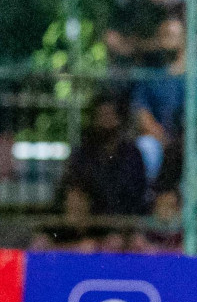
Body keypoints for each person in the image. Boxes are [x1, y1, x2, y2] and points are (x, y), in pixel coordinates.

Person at [130, 18, 197, 184]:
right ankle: (154, 196)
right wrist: (165, 141)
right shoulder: (150, 71)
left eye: (172, 35)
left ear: (185, 38)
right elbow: (142, 112)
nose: (166, 40)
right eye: (163, 35)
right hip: (162, 141)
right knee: (145, 147)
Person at [61, 94, 149, 231]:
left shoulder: (132, 154)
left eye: (110, 116)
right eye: (101, 116)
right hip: (90, 225)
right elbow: (73, 189)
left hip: (123, 227)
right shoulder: (83, 153)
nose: (106, 122)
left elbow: (136, 196)